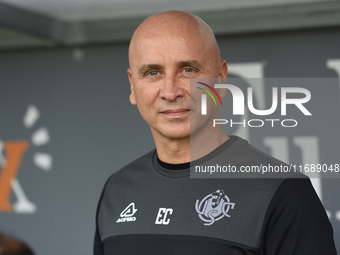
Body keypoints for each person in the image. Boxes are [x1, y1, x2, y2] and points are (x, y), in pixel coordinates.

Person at [94, 10, 337, 255]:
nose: (170, 92)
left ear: (220, 79)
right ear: (132, 85)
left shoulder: (283, 193)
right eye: (152, 73)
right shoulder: (117, 190)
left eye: (188, 70)